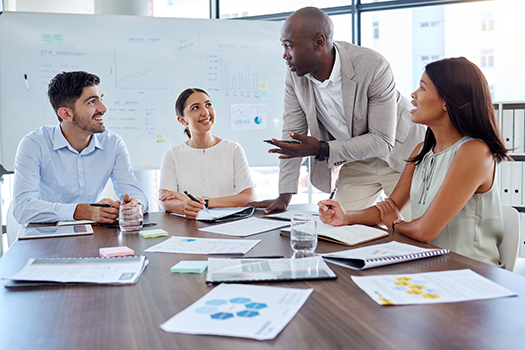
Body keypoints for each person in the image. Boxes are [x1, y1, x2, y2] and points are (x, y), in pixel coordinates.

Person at [319, 57, 508, 267]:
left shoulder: (474, 152)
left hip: (470, 274)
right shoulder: (422, 150)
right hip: (431, 264)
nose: (413, 95)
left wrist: (396, 224)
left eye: (423, 88)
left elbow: (424, 231)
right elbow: (389, 208)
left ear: (447, 101)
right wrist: (345, 217)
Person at [248, 7, 425, 216]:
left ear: (319, 42)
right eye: (283, 46)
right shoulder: (295, 76)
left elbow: (381, 140)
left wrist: (323, 149)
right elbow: (292, 134)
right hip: (357, 160)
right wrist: (284, 195)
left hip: (401, 154)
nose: (285, 55)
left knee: (410, 231)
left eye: (289, 46)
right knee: (337, 225)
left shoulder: (373, 65)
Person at [12, 71, 149, 225]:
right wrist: (83, 211)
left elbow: (135, 192)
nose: (103, 108)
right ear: (66, 114)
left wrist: (134, 205)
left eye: (101, 99)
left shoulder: (113, 143)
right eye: (91, 102)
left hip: (89, 233)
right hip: (45, 234)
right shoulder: (34, 144)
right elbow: (22, 208)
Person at [158, 88, 255, 220]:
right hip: (190, 227)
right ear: (182, 120)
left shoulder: (233, 149)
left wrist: (205, 202)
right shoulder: (172, 154)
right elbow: (164, 199)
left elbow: (248, 197)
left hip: (228, 224)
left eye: (208, 104)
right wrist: (185, 207)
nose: (205, 112)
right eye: (195, 108)